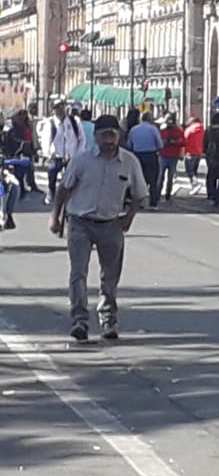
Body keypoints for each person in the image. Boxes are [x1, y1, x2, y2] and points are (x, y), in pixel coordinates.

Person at [48, 115, 148, 342]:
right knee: (78, 274)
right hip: (80, 221)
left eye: (113, 135)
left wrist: (129, 217)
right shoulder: (82, 160)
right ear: (96, 137)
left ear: (119, 136)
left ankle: (108, 321)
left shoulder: (129, 162)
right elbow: (64, 188)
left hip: (111, 224)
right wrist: (55, 217)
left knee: (110, 276)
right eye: (104, 136)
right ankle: (79, 321)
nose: (109, 140)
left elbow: (140, 194)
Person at [43, 98, 87, 205]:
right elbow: (46, 139)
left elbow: (82, 138)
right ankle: (51, 192)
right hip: (56, 155)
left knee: (72, 177)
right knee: (52, 173)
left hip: (71, 155)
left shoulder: (74, 122)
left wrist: (78, 153)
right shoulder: (50, 123)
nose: (60, 109)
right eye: (57, 107)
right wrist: (48, 153)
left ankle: (71, 195)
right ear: (53, 110)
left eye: (62, 106)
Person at [127, 112, 163, 209]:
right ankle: (153, 203)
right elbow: (160, 144)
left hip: (137, 155)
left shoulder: (134, 129)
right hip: (150, 155)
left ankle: (139, 201)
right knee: (153, 180)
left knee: (138, 179)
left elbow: (129, 144)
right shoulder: (153, 129)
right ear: (150, 119)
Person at [158, 115, 185, 202]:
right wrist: (164, 142)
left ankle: (168, 195)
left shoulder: (178, 131)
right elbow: (159, 141)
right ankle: (157, 194)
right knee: (160, 176)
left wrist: (175, 142)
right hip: (163, 155)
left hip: (173, 156)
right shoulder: (163, 130)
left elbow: (183, 142)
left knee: (170, 177)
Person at [183, 117, 206, 193]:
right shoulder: (202, 130)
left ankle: (195, 184)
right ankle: (194, 186)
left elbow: (184, 140)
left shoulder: (189, 130)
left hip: (190, 152)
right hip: (199, 153)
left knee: (189, 170)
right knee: (194, 170)